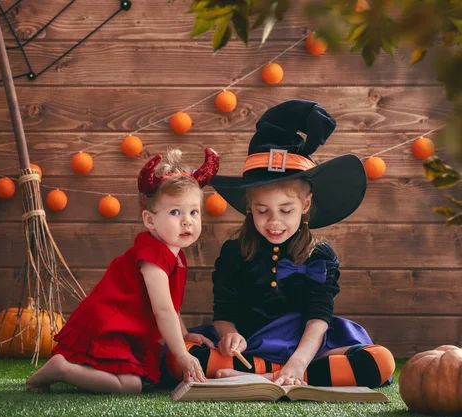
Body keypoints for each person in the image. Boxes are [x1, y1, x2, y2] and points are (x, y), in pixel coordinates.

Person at [163, 100, 395, 388]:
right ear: (249, 206)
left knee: (381, 361)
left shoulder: (320, 255)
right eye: (263, 211)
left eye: (286, 211)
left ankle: (268, 378)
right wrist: (228, 335)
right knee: (178, 358)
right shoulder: (234, 252)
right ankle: (272, 374)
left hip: (308, 348)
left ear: (305, 204)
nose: (274, 222)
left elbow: (319, 318)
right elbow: (224, 311)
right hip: (251, 347)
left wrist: (299, 361)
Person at [25, 147, 219, 394]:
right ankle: (62, 369)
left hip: (127, 330)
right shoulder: (153, 254)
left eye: (194, 212)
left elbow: (170, 305)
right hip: (109, 326)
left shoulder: (174, 254)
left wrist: (185, 336)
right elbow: (162, 309)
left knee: (138, 379)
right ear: (150, 220)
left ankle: (69, 368)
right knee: (130, 386)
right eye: (175, 212)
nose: (187, 221)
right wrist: (181, 353)